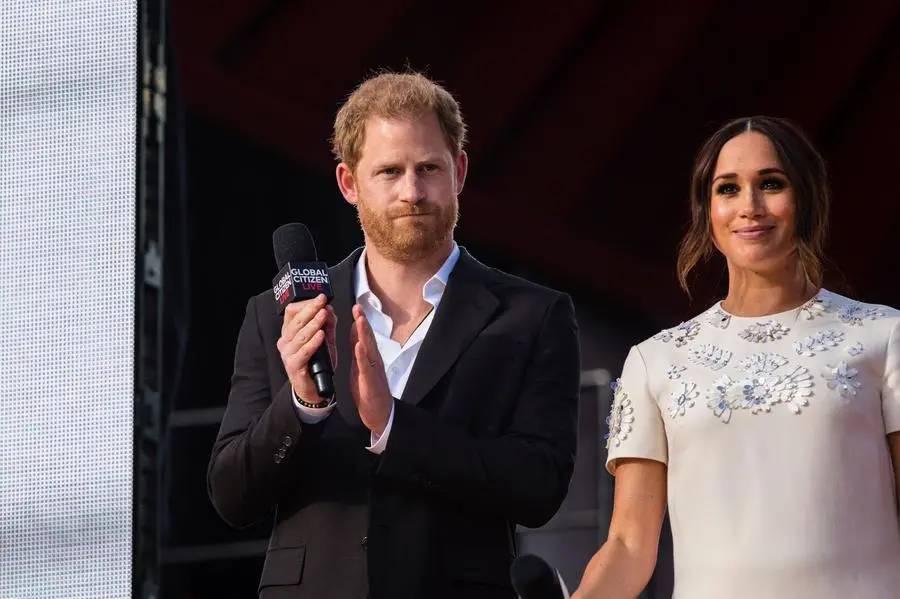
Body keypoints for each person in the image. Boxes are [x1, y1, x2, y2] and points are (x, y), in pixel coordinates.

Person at [207, 71, 581, 599]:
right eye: (389, 172)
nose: (412, 192)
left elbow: (539, 487)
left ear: (460, 172)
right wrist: (303, 405)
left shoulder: (532, 315)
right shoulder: (277, 317)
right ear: (348, 183)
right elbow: (231, 495)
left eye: (429, 168)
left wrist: (394, 428)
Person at [573, 116, 900, 599]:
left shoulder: (885, 335)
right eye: (728, 189)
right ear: (707, 211)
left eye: (771, 184)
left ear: (806, 199)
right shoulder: (656, 361)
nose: (750, 207)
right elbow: (627, 545)